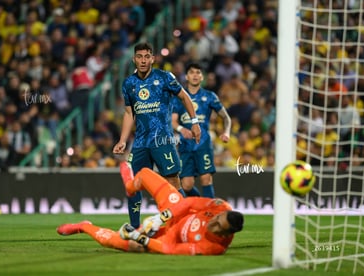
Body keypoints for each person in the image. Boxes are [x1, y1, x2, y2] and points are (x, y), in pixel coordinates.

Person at [57, 162, 244, 255]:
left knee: (125, 243)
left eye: (220, 228)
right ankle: (130, 187)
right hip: (177, 211)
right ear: (223, 213)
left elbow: (169, 249)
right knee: (145, 174)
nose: (214, 225)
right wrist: (163, 216)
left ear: (227, 234)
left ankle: (84, 226)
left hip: (169, 235)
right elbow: (189, 203)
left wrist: (139, 237)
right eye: (217, 220)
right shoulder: (220, 207)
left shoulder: (213, 248)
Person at [112, 42, 201, 229]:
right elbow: (129, 114)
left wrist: (194, 123)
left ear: (152, 58)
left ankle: (185, 224)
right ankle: (135, 228)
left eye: (147, 57)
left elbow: (184, 97)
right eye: (140, 57)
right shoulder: (129, 83)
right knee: (134, 185)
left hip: (163, 140)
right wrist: (122, 140)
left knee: (173, 182)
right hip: (141, 142)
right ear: (134, 59)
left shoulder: (164, 77)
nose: (143, 60)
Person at [172, 63, 231, 198]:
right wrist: (181, 129)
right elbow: (173, 121)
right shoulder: (179, 98)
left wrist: (226, 132)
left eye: (198, 72)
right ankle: (200, 205)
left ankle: (209, 215)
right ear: (186, 76)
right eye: (192, 72)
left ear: (202, 77)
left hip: (203, 144)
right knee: (186, 185)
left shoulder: (209, 96)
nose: (195, 75)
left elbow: (226, 117)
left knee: (206, 179)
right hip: (185, 145)